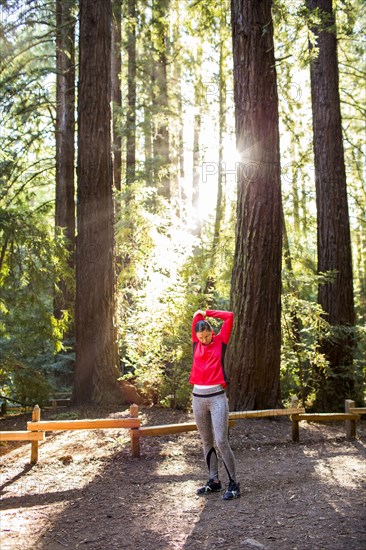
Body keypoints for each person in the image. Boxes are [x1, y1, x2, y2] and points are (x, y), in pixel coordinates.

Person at [190, 309, 240, 500]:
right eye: (200, 337)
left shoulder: (221, 342)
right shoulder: (196, 343)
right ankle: (214, 481)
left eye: (207, 335)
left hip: (217, 396)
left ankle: (234, 484)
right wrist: (198, 315)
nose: (203, 340)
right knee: (206, 441)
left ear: (212, 332)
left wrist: (207, 312)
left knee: (221, 440)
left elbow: (229, 316)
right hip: (198, 397)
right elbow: (196, 318)